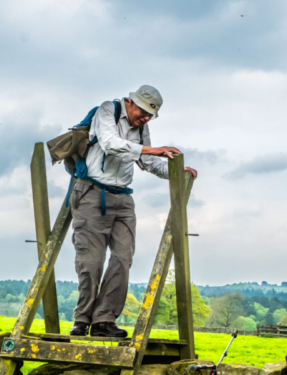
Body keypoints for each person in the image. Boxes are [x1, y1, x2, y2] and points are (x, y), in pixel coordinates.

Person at [69, 85, 197, 338]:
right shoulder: (108, 110)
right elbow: (110, 144)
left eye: (151, 115)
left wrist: (177, 173)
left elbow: (147, 162)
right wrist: (153, 149)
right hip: (91, 194)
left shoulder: (142, 128)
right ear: (131, 102)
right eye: (144, 112)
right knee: (91, 261)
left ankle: (104, 320)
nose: (146, 118)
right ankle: (82, 321)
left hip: (123, 198)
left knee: (122, 258)